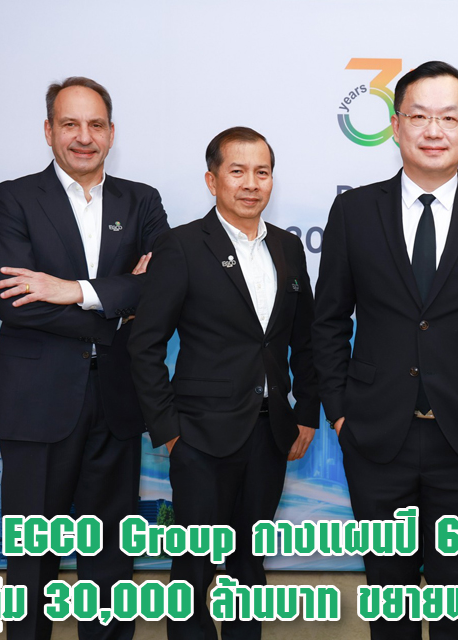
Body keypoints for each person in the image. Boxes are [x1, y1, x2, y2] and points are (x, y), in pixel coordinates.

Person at [312, 60, 458, 640]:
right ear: (396, 125)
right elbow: (329, 320)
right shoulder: (354, 211)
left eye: (449, 118)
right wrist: (340, 411)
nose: (433, 131)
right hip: (374, 433)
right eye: (419, 116)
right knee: (388, 595)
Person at [0, 76, 168, 640]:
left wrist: (71, 290)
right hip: (35, 405)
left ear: (111, 133)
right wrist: (115, 302)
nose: (84, 137)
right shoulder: (13, 198)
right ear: (48, 131)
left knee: (110, 562)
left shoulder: (142, 200)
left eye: (95, 125)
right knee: (30, 565)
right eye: (70, 124)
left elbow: (161, 287)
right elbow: (15, 304)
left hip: (116, 401)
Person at [128, 127, 319, 640]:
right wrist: (170, 431)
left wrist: (306, 412)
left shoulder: (288, 247)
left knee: (249, 568)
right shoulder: (182, 245)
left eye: (262, 172)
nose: (251, 183)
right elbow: (145, 344)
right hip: (199, 437)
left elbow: (305, 339)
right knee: (194, 569)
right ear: (213, 181)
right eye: (238, 171)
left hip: (270, 434)